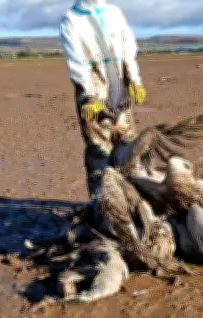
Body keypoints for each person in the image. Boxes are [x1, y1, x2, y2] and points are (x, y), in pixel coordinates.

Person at [59, 0, 147, 198]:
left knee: (128, 143)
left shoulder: (114, 12)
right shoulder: (71, 19)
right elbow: (77, 61)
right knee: (99, 148)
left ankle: (131, 198)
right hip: (93, 89)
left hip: (120, 87)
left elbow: (128, 46)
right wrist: (90, 94)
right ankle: (102, 202)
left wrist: (134, 79)